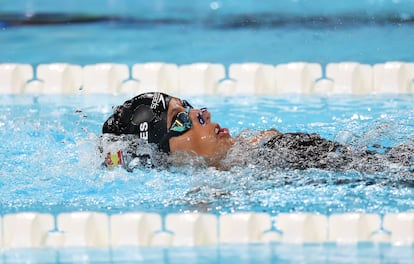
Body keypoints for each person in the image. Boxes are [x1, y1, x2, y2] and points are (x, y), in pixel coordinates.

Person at [101, 92, 414, 174]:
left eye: (190, 107)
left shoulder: (253, 151)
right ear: (162, 153)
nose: (203, 113)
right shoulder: (223, 180)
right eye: (181, 119)